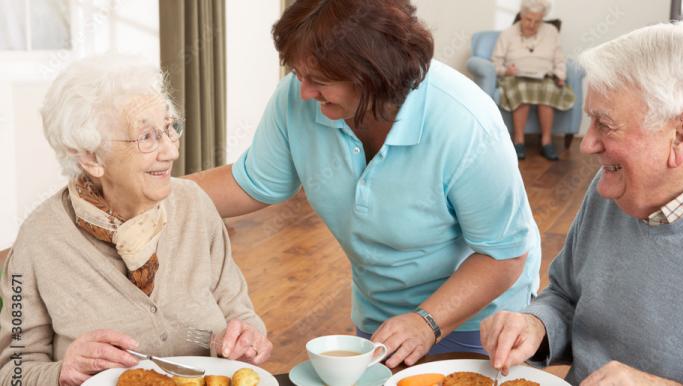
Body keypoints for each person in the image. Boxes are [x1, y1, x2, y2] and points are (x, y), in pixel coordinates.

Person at [188, 0, 541, 369]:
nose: (304, 91)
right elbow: (250, 183)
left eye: (319, 81)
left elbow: (504, 254)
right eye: (297, 73)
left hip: (479, 322)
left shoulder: (465, 123)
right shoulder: (298, 100)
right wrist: (151, 192)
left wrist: (428, 321)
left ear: (373, 75)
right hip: (383, 319)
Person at [480, 24, 683, 385]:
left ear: (682, 135)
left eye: (604, 125)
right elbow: (564, 295)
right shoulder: (615, 187)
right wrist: (536, 324)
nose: (586, 144)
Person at [0, 55, 272, 386]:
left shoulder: (195, 206)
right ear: (90, 156)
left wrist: (248, 340)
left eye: (170, 128)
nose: (171, 151)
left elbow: (241, 314)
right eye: (146, 137)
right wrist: (61, 373)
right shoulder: (37, 241)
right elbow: (12, 372)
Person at [491, 0, 575, 161]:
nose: (532, 24)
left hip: (544, 76)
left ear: (542, 19)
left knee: (548, 90)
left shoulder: (551, 31)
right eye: (528, 19)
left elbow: (560, 58)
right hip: (515, 77)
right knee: (522, 90)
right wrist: (506, 70)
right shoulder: (508, 33)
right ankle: (519, 141)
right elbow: (495, 63)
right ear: (521, 16)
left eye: (537, 21)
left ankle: (546, 142)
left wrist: (560, 75)